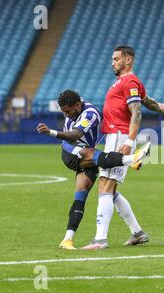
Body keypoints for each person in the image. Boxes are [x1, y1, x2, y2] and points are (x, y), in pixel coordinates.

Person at [37, 90, 151, 250]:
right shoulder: (74, 103)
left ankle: (67, 239)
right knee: (93, 155)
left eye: (68, 111)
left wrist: (51, 132)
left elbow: (76, 134)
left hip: (81, 148)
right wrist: (53, 132)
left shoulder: (90, 114)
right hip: (71, 152)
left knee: (87, 194)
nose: (67, 115)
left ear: (77, 105)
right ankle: (131, 160)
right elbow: (73, 138)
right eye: (64, 112)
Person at [82, 45, 164, 250]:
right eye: (112, 59)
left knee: (106, 186)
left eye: (116, 58)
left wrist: (129, 141)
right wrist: (160, 107)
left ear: (128, 60)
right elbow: (146, 101)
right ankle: (137, 233)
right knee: (108, 188)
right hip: (115, 135)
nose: (113, 62)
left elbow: (136, 111)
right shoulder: (126, 82)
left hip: (120, 135)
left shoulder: (129, 80)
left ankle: (100, 240)